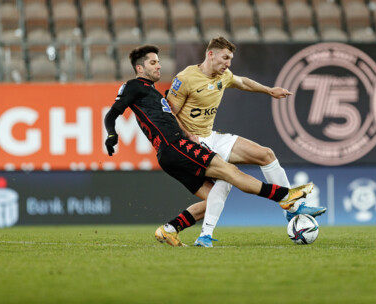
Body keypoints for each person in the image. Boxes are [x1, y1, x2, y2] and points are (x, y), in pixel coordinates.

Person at [104, 44, 314, 247]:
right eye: (153, 62)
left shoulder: (151, 91)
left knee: (213, 199)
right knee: (230, 172)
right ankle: (284, 196)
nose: (158, 66)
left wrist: (188, 134)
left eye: (158, 62)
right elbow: (113, 112)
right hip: (175, 146)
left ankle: (170, 229)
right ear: (140, 68)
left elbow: (167, 119)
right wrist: (112, 134)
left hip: (168, 154)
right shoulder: (134, 86)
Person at [165, 36, 326, 247]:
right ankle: (204, 236)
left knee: (266, 155)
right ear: (210, 54)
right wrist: (188, 135)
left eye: (230, 59)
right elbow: (169, 113)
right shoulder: (185, 78)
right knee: (225, 180)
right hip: (193, 143)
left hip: (212, 136)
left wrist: (269, 90)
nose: (228, 64)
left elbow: (242, 82)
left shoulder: (224, 76)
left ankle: (292, 205)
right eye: (225, 58)